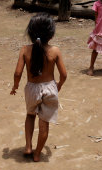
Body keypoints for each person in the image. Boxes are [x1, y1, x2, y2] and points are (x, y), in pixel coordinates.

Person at [10, 13, 67, 162]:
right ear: (51, 33)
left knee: (30, 115)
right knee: (44, 123)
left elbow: (17, 73)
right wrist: (58, 86)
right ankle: (37, 154)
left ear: (30, 32)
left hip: (32, 89)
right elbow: (64, 74)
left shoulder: (25, 50)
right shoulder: (55, 51)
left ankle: (28, 146)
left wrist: (15, 86)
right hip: (50, 89)